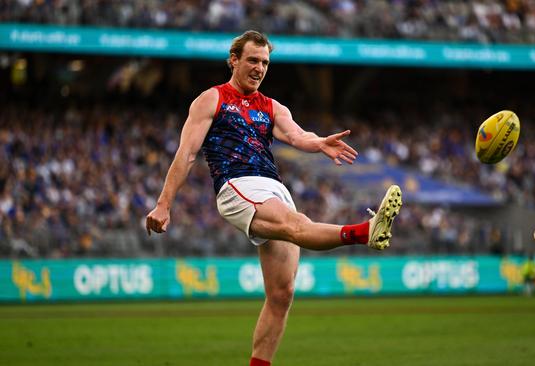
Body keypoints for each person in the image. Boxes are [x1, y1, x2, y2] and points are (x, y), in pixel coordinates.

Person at [145, 30, 402, 366]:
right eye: (253, 60)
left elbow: (296, 135)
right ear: (234, 60)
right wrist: (164, 204)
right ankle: (365, 232)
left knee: (282, 294)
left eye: (265, 62)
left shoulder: (272, 106)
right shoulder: (212, 99)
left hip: (273, 187)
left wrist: (319, 142)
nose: (260, 67)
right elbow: (187, 154)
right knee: (297, 226)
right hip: (237, 186)